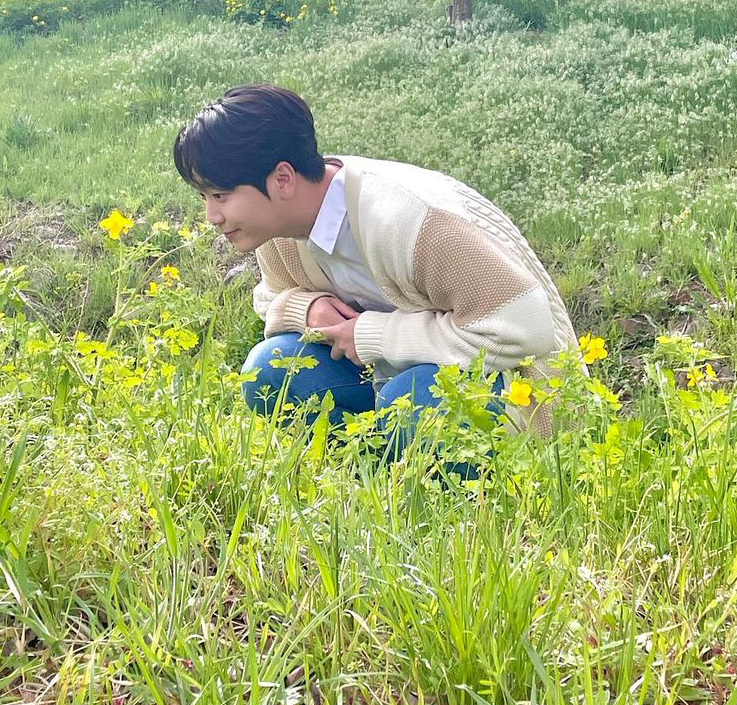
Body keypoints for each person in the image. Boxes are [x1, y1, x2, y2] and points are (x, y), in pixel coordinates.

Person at [173, 84, 579, 457]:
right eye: (204, 196)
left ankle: (452, 496)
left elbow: (527, 327)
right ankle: (369, 468)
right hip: (393, 377)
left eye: (220, 195)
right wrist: (308, 310)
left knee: (412, 403)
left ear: (283, 178)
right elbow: (271, 297)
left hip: (523, 386)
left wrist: (371, 335)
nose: (211, 215)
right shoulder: (279, 229)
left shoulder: (412, 218)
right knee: (271, 369)